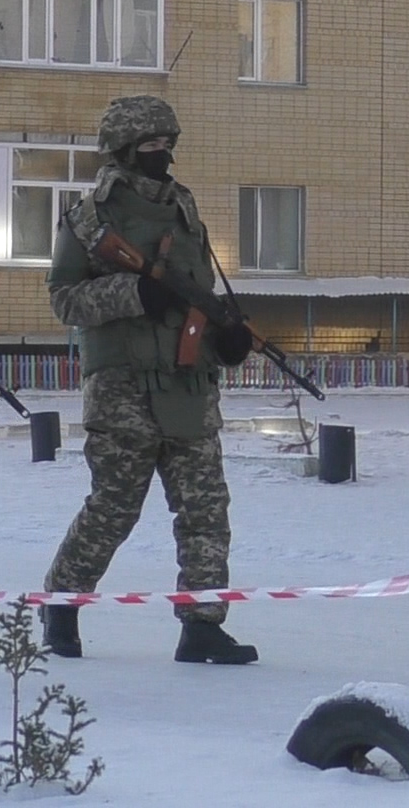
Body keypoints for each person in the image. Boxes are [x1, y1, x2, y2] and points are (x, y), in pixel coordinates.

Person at [40, 95, 261, 665]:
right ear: (122, 150)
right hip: (123, 393)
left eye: (168, 144)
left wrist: (227, 337)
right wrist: (133, 292)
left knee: (206, 511)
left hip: (188, 387)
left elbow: (197, 298)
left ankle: (203, 625)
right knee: (113, 508)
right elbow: (64, 300)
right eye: (149, 146)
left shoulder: (184, 211)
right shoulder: (91, 217)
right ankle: (61, 606)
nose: (162, 155)